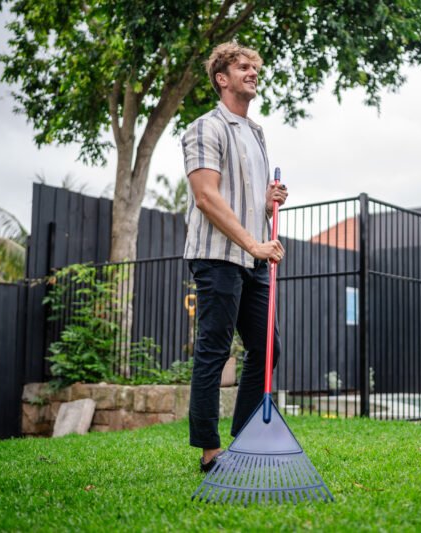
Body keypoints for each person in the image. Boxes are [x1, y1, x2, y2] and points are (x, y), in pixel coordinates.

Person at [181, 42, 288, 472]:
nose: (252, 72)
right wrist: (253, 244)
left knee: (267, 348)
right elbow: (206, 197)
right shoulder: (205, 128)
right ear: (222, 78)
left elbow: (243, 200)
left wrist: (267, 201)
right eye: (243, 67)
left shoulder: (257, 133)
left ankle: (244, 441)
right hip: (217, 257)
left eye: (255, 67)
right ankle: (210, 451)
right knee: (214, 349)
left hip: (253, 258)